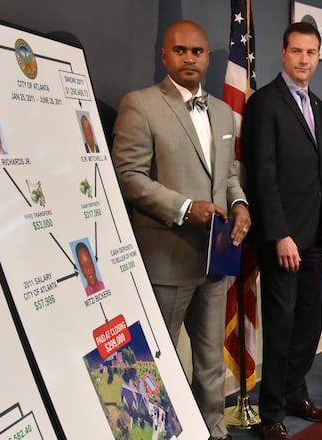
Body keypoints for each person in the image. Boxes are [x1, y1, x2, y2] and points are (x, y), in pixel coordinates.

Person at [111, 20, 250, 440]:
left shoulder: (224, 111)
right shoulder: (140, 104)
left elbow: (228, 175)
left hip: (215, 257)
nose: (190, 58)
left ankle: (212, 430)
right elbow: (128, 175)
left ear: (208, 57)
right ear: (165, 55)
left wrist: (240, 203)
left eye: (197, 51)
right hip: (167, 256)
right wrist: (185, 208)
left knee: (209, 357)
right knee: (159, 356)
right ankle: (156, 433)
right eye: (180, 50)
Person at [242, 22, 322, 440]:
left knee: (309, 324)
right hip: (281, 237)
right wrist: (279, 233)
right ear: (283, 54)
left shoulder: (318, 106)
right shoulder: (264, 102)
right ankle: (271, 413)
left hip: (316, 235)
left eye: (311, 53)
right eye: (297, 52)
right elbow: (262, 175)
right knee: (280, 328)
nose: (304, 60)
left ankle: (296, 391)